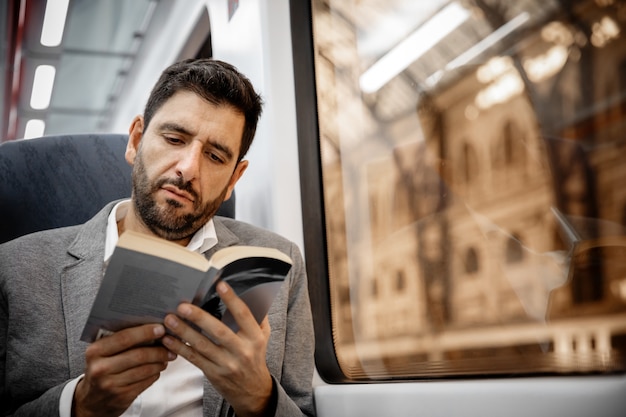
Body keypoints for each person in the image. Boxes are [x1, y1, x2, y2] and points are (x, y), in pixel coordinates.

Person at [0, 59, 315, 417]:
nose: (188, 168)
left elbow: (301, 408)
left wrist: (259, 397)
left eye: (214, 156)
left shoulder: (277, 264)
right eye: (174, 139)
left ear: (233, 179)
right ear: (136, 140)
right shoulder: (14, 267)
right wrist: (80, 404)